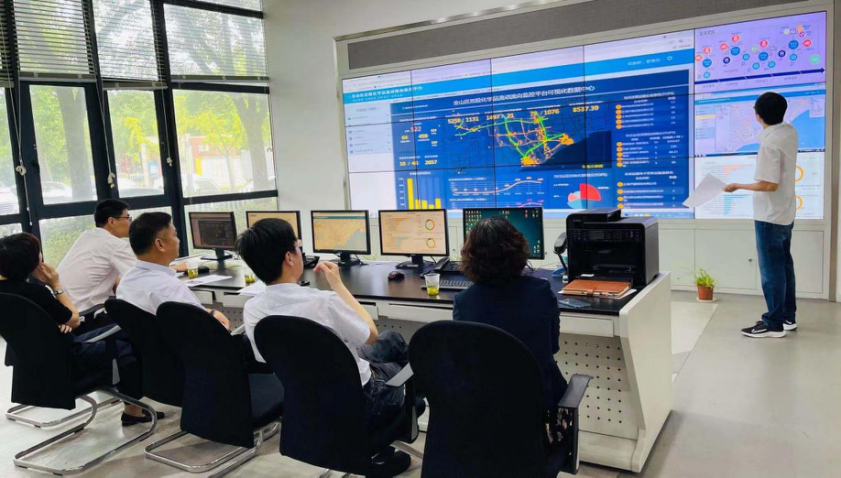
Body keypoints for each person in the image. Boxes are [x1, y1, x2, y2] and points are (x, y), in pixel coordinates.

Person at [236, 218, 409, 427]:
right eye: (298, 247)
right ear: (289, 257)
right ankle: (408, 408)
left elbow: (264, 358)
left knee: (391, 339)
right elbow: (371, 335)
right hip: (363, 401)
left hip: (306, 403)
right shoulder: (324, 302)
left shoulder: (253, 309)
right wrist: (338, 285)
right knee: (404, 363)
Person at [0, 232, 158, 426]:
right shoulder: (35, 293)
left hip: (33, 365)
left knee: (124, 331)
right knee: (129, 345)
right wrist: (55, 285)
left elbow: (33, 322)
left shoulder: (7, 293)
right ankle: (133, 411)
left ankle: (133, 407)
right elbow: (74, 320)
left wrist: (52, 324)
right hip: (68, 360)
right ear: (32, 263)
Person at [453, 217, 568, 447]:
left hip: (483, 412)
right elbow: (552, 348)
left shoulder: (464, 302)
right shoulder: (541, 292)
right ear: (518, 251)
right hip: (538, 409)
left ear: (470, 257)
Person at [723, 92, 798, 338]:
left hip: (769, 216)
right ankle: (787, 317)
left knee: (771, 271)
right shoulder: (789, 131)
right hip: (785, 212)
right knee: (784, 266)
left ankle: (773, 323)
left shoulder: (769, 143)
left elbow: (769, 184)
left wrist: (737, 185)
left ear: (757, 115)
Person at [58, 199, 185, 335]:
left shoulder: (87, 236)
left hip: (62, 313)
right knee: (151, 324)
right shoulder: (114, 245)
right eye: (128, 218)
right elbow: (144, 273)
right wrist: (176, 268)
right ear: (112, 221)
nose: (130, 222)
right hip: (84, 318)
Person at [116, 212, 230, 330]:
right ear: (160, 244)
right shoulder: (171, 288)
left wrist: (207, 312)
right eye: (175, 235)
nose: (178, 240)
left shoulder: (126, 281)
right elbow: (204, 329)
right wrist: (215, 317)